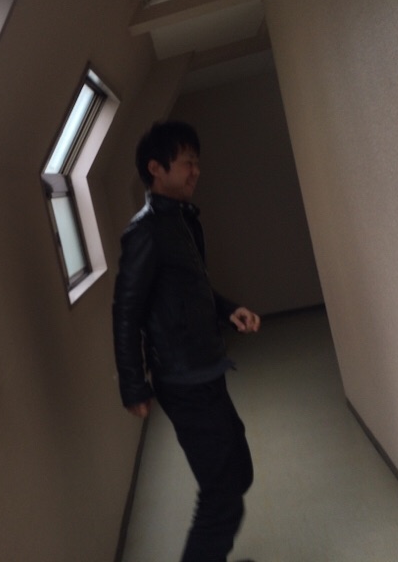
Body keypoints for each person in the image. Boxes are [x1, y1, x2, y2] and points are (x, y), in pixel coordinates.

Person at [112, 121, 260, 562]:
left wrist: (228, 309)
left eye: (197, 162)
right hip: (184, 379)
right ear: (156, 168)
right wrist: (133, 385)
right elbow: (126, 311)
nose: (196, 170)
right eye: (186, 162)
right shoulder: (146, 231)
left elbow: (190, 288)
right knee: (222, 498)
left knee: (239, 472)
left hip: (207, 367)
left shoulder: (181, 220)